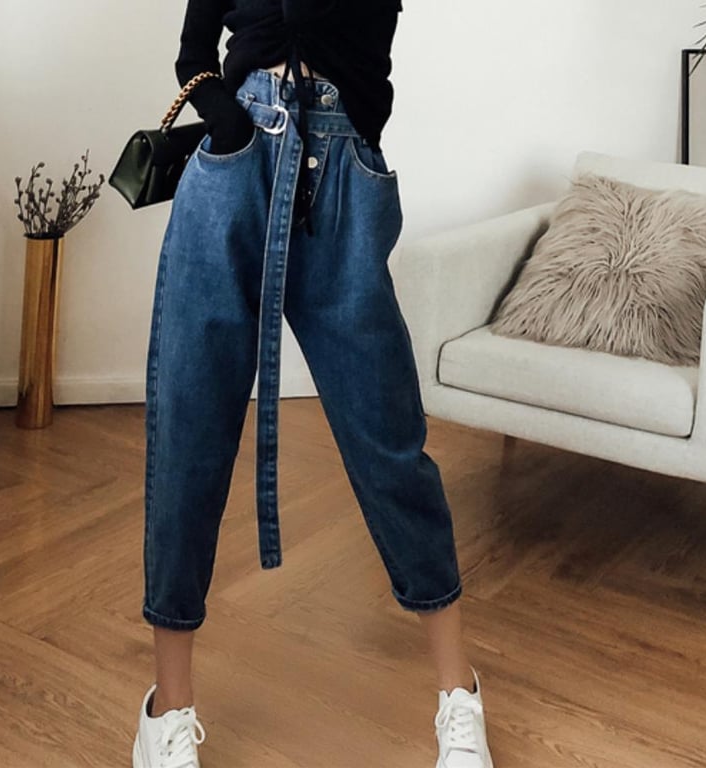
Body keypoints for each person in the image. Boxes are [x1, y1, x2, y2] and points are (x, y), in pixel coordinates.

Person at [132, 2, 494, 767]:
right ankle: (168, 711)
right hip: (231, 172)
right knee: (188, 429)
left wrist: (345, 124)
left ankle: (458, 696)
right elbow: (194, 54)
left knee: (389, 441)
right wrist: (230, 125)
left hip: (341, 176)